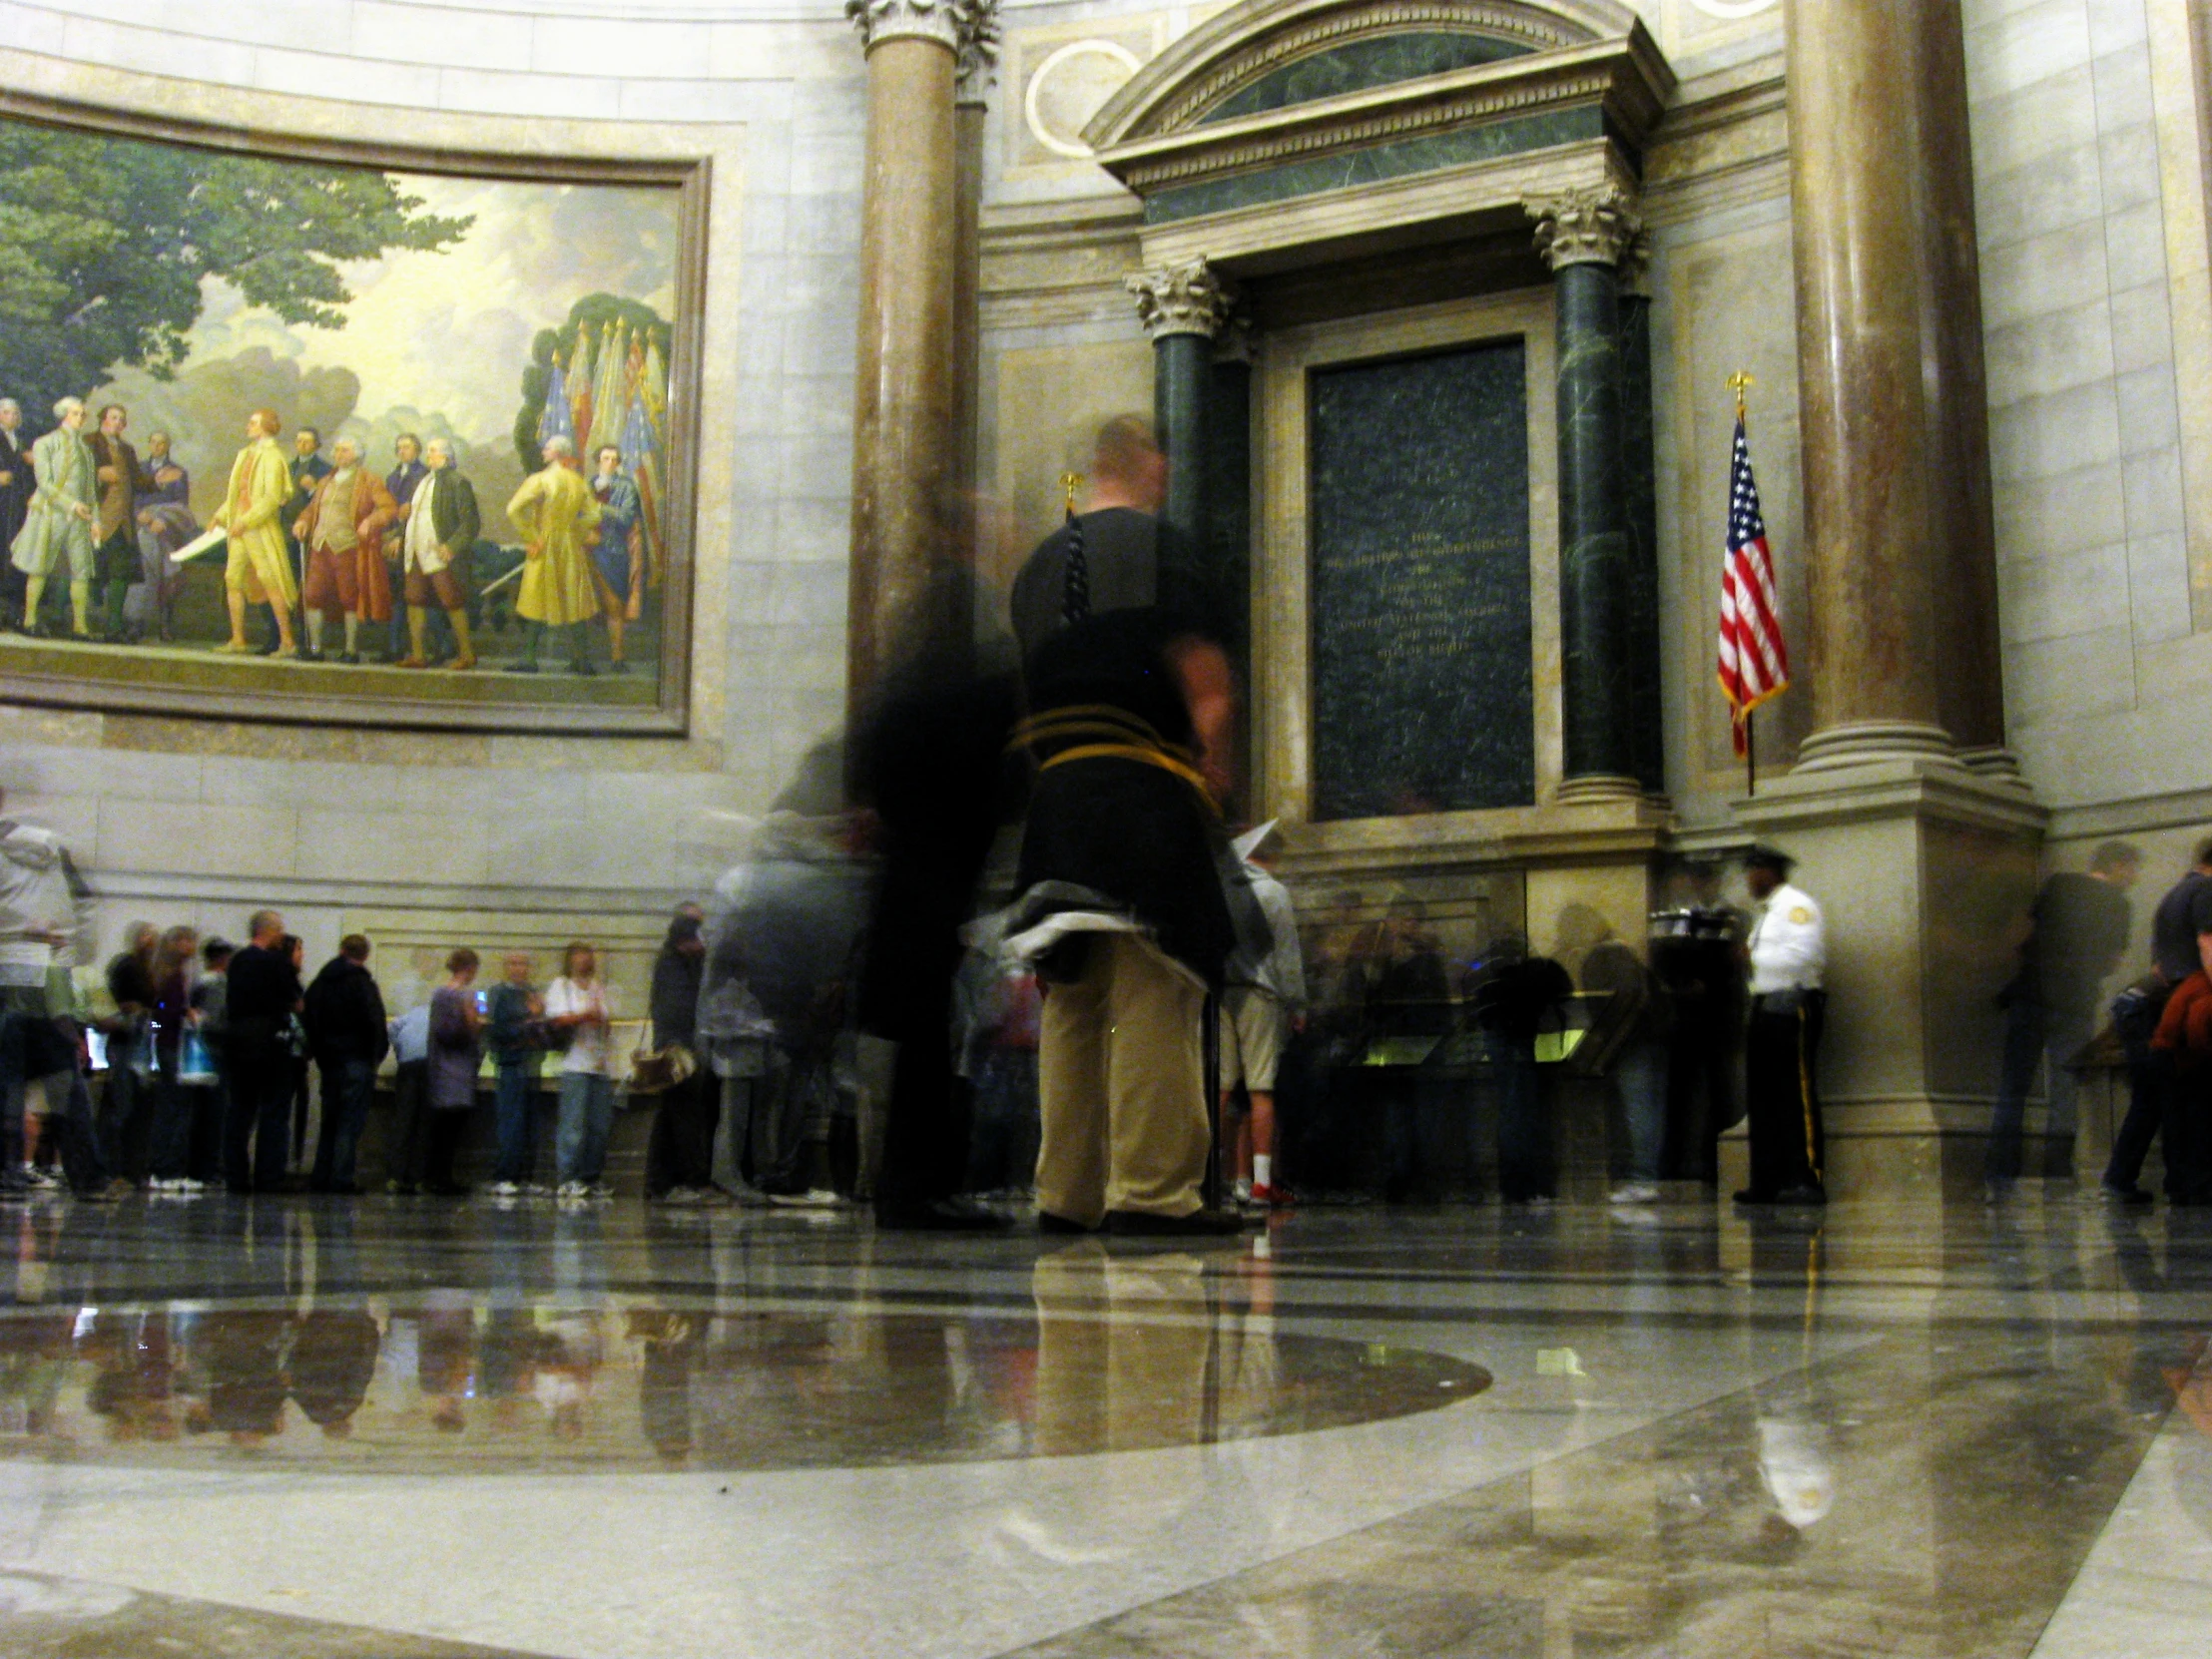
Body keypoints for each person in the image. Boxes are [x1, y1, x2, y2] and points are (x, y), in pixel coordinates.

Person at [1002, 602, 1244, 1237]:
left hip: (1058, 813)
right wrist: (1211, 764)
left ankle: (1065, 1193)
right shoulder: (1175, 617)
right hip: (1138, 807)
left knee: (1072, 1002)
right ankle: (1150, 1192)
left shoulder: (1054, 647)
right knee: (1155, 993)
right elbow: (1208, 694)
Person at [1987, 840, 2141, 1198]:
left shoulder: (2058, 884)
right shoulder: (2119, 904)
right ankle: (2056, 1175)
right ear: (2117, 866)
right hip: (2074, 1001)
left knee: (2013, 1086)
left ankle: (1999, 1173)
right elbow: (2113, 961)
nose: (2133, 878)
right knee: (2064, 1089)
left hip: (2032, 994)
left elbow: (2024, 930)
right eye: (2131, 869)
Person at [2106, 836, 2212, 1204]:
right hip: (2173, 1008)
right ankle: (2188, 1184)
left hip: (2148, 1006)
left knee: (2155, 1099)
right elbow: (2208, 943)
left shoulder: (2174, 895)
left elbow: (2159, 964)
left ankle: (2123, 1179)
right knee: (2186, 1099)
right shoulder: (2206, 890)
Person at [1734, 846, 1829, 1207]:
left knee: (1797, 1093)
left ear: (1767, 872)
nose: (1748, 881)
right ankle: (1767, 1181)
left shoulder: (1795, 907)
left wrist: (1751, 958)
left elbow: (1805, 956)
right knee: (1763, 1099)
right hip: (1764, 1007)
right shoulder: (1768, 913)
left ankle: (1807, 1178)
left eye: (1752, 872)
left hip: (1793, 1006)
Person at [1219, 823, 1305, 1208]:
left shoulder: (1221, 885)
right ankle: (1260, 1183)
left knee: (1219, 1090)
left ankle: (1207, 1178)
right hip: (1260, 994)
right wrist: (1297, 1003)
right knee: (1260, 1090)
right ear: (1268, 856)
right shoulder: (1273, 891)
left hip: (1220, 992)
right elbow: (1286, 955)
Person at [1464, 933, 1572, 1205]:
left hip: (1502, 1039)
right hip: (1521, 1041)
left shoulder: (1486, 976)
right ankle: (1527, 1184)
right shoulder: (1526, 974)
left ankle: (1515, 1184)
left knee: (1514, 1111)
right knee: (1522, 1112)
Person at [1579, 926, 1673, 1206]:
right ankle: (1649, 1175)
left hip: (1630, 1042)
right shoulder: (1633, 958)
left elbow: (1609, 1003)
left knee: (1638, 1111)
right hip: (1655, 1038)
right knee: (1652, 1111)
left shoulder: (1602, 959)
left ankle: (1643, 1178)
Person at [292, 436, 398, 664]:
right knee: (312, 595)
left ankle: (351, 650)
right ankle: (315, 648)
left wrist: (370, 522)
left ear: (357, 455)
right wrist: (302, 521)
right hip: (320, 545)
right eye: (338, 450)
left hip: (348, 547)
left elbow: (389, 508)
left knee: (349, 598)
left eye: (345, 451)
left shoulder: (369, 480)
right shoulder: (326, 481)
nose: (339, 455)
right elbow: (312, 510)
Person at [222, 908, 304, 1193]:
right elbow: (295, 1001)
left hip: (239, 1044)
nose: (282, 935)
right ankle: (268, 1176)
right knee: (274, 1113)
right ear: (266, 931)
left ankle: (236, 1176)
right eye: (279, 929)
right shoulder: (276, 963)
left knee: (239, 1112)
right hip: (271, 1044)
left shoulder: (237, 961)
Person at [211, 409, 301, 659]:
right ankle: (238, 639)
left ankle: (287, 642)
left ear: (265, 427)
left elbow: (272, 498)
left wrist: (246, 521)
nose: (248, 427)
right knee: (233, 578)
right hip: (240, 527)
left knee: (269, 579)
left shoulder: (272, 457)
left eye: (252, 423)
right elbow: (237, 494)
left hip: (258, 529)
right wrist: (220, 516)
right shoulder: (245, 454)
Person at [507, 435, 602, 675]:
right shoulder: (578, 481)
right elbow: (594, 516)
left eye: (548, 448)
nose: (543, 452)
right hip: (570, 546)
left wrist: (531, 537)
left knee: (536, 598)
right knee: (574, 598)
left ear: (558, 453)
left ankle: (529, 658)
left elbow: (513, 510)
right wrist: (576, 532)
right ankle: (582, 661)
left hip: (545, 544)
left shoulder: (539, 480)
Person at [303, 935, 389, 1195]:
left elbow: (308, 1019)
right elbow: (376, 1022)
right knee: (349, 1124)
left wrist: (319, 1052)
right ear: (365, 955)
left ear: (341, 950)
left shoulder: (320, 983)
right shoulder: (363, 984)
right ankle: (341, 1178)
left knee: (330, 1121)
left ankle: (321, 1176)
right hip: (357, 1059)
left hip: (329, 1061)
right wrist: (376, 1056)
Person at [11, 396, 99, 638]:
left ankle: (80, 627)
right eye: (75, 414)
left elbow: (90, 489)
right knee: (39, 566)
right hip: (51, 513)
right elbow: (45, 484)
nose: (80, 418)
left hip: (80, 517)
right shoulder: (45, 443)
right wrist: (72, 505)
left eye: (83, 414)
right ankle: (29, 621)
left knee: (81, 570)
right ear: (64, 416)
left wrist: (96, 520)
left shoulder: (86, 450)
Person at [644, 913, 716, 1203]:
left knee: (670, 1115)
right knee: (682, 1114)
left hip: (677, 1045)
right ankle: (687, 1180)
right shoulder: (674, 965)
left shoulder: (677, 962)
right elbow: (679, 1008)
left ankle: (660, 1183)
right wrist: (683, 1045)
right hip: (678, 1050)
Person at [395, 436, 480, 670]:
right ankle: (418, 654)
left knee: (453, 601)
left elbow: (470, 523)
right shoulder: (423, 482)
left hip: (440, 554)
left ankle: (466, 654)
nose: (429, 456)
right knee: (414, 600)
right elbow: (415, 516)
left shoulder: (457, 482)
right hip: (416, 551)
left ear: (445, 456)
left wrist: (451, 546)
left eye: (433, 451)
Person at [546, 941, 617, 1199]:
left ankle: (591, 1175)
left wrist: (602, 1021)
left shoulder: (598, 987)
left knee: (599, 1125)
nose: (585, 962)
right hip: (575, 1064)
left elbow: (606, 1022)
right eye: (580, 958)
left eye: (588, 958)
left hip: (599, 1064)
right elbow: (557, 1019)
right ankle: (568, 1178)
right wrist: (585, 1016)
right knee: (573, 1125)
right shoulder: (561, 986)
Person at [144, 924, 203, 1193]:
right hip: (173, 1047)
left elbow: (155, 1017)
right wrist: (182, 1016)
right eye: (190, 942)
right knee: (176, 1109)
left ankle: (159, 1168)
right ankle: (168, 1170)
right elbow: (161, 1014)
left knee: (167, 1108)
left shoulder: (161, 974)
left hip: (165, 1045)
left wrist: (157, 1033)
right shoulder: (172, 977)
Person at [85, 403, 151, 643]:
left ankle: (113, 626)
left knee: (121, 572)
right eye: (114, 418)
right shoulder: (89, 441)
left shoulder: (127, 449)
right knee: (90, 572)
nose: (119, 423)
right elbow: (76, 473)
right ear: (103, 419)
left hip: (123, 520)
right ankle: (75, 623)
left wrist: (157, 481)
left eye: (122, 419)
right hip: (97, 517)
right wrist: (97, 474)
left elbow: (137, 481)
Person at [100, 921, 160, 1182]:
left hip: (139, 1040)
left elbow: (155, 1012)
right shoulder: (129, 966)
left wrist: (151, 1018)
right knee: (123, 1106)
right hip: (129, 1041)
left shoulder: (148, 972)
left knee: (136, 1107)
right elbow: (119, 1005)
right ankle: (112, 1167)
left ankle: (128, 1167)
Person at [485, 952, 547, 1196]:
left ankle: (527, 1176)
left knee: (530, 1124)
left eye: (523, 963)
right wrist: (530, 1020)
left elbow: (545, 1031)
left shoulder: (534, 993)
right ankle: (506, 1175)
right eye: (513, 963)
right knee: (511, 1123)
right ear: (505, 967)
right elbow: (498, 1030)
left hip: (532, 1064)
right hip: (510, 1064)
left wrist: (537, 1022)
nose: (518, 968)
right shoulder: (499, 993)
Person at [423, 948, 484, 1197]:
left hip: (462, 1068)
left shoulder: (474, 995)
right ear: (468, 968)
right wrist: (472, 1022)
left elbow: (482, 1021)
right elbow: (447, 1033)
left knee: (454, 1126)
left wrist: (477, 1021)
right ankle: (438, 1177)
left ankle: (444, 1175)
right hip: (448, 1068)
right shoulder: (444, 995)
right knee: (445, 1127)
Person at [132, 431, 197, 642]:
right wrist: (143, 517)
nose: (158, 446)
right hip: (142, 526)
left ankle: (164, 624)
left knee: (169, 577)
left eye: (162, 443)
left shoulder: (178, 472)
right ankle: (137, 624)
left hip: (167, 531)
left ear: (167, 446)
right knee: (143, 572)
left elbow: (181, 506)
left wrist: (165, 521)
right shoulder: (139, 469)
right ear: (149, 444)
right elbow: (132, 499)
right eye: (154, 442)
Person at [588, 444, 644, 671]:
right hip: (587, 550)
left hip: (613, 551)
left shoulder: (627, 487)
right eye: (605, 458)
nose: (610, 462)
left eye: (614, 459)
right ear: (598, 461)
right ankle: (582, 659)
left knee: (614, 605)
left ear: (619, 463)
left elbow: (626, 518)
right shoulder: (587, 485)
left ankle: (617, 658)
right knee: (584, 606)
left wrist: (600, 508)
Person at [188, 936, 233, 1185]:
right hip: (214, 1054)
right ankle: (208, 1168)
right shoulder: (217, 984)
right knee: (214, 1114)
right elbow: (216, 1022)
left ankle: (197, 1166)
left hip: (196, 1054)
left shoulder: (197, 982)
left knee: (200, 1113)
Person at [383, 433, 429, 662]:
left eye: (407, 447)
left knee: (413, 596)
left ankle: (423, 649)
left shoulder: (423, 477)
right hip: (391, 542)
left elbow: (417, 512)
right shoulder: (392, 477)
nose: (403, 451)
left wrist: (401, 536)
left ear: (417, 450)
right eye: (399, 447)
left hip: (412, 543)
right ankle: (394, 647)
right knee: (395, 597)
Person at [384, 998, 433, 1196]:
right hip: (429, 1068)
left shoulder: (412, 1013)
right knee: (424, 1124)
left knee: (403, 1121)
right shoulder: (441, 1014)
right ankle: (418, 1178)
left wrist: (400, 1051)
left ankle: (395, 1176)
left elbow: (391, 1029)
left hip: (407, 1067)